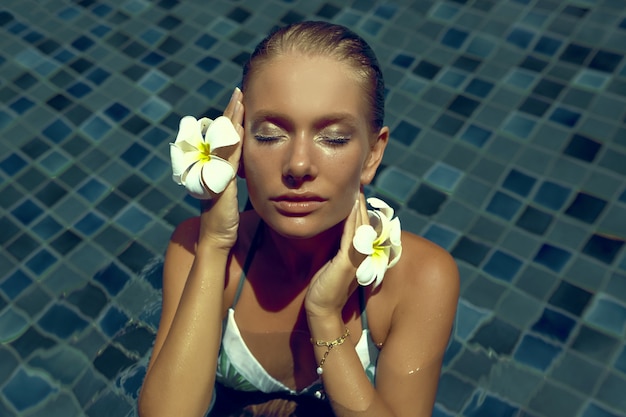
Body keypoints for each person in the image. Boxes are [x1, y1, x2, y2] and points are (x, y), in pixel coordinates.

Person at [138, 21, 459, 417]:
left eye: (334, 138)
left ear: (373, 155)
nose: (299, 165)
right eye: (270, 135)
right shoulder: (197, 249)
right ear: (237, 145)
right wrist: (215, 244)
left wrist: (324, 317)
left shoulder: (419, 279)